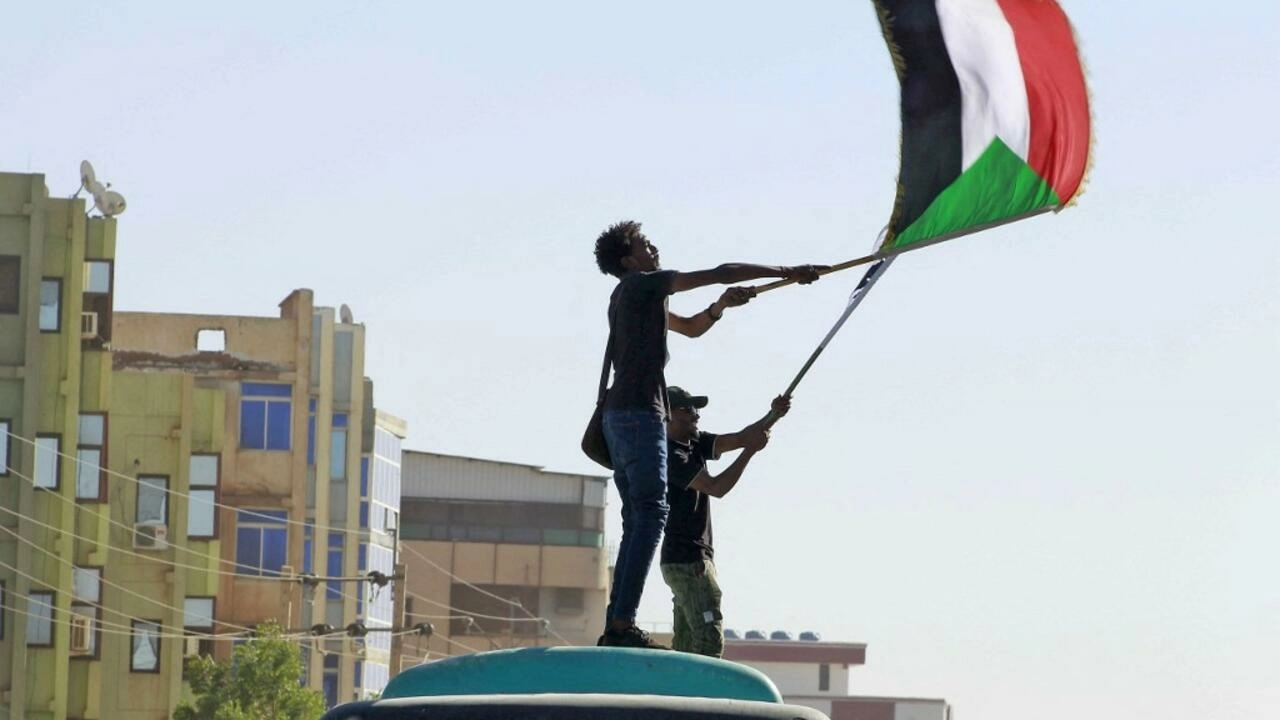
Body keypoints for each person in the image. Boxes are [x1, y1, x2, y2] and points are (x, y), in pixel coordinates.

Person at [592, 219, 822, 648]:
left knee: (638, 520)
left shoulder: (635, 298)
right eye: (644, 244)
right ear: (628, 259)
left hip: (621, 419)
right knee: (651, 515)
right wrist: (786, 271)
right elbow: (722, 269)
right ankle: (621, 625)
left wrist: (720, 307)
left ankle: (617, 624)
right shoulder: (643, 285)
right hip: (639, 416)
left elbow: (693, 327)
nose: (653, 246)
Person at [660, 386, 787, 657]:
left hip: (685, 560)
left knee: (686, 645)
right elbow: (716, 487)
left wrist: (773, 415)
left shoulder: (694, 443)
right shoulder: (671, 456)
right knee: (707, 641)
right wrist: (749, 453)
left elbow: (742, 437)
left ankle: (678, 695)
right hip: (688, 560)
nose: (696, 415)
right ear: (667, 414)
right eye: (687, 409)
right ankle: (702, 697)